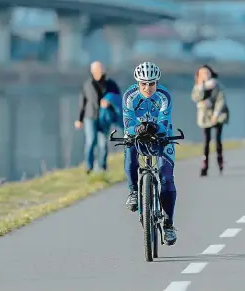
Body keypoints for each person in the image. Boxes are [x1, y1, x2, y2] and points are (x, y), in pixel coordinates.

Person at [122, 61, 177, 245]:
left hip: (161, 136)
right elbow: (128, 123)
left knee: (166, 178)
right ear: (137, 83)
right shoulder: (130, 96)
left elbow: (165, 121)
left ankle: (168, 224)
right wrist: (136, 128)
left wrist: (154, 126)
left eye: (152, 83)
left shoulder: (164, 96)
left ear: (157, 83)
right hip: (137, 135)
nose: (147, 88)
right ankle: (134, 191)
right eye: (143, 84)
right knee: (129, 152)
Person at [74, 61, 121, 174]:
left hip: (104, 118)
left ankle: (102, 167)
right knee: (91, 141)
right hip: (90, 117)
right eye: (95, 69)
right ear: (92, 71)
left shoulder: (111, 84)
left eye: (100, 69)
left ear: (103, 70)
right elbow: (82, 102)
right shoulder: (87, 84)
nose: (98, 71)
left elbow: (119, 98)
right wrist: (79, 119)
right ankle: (89, 167)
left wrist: (109, 102)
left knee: (103, 143)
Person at [191, 65, 229, 177]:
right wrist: (201, 87)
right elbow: (195, 98)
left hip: (218, 115)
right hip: (204, 116)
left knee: (218, 139)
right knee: (206, 141)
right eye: (202, 73)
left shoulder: (217, 85)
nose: (205, 75)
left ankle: (220, 160)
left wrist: (216, 115)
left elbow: (221, 100)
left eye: (207, 72)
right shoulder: (198, 86)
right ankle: (205, 164)